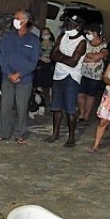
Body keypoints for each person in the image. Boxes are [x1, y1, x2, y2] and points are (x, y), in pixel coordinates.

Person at [0, 10, 40, 144]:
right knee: (5, 107)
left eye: (17, 18)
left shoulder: (33, 40)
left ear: (25, 21)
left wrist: (19, 74)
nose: (14, 20)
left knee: (22, 107)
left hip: (24, 79)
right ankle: (3, 132)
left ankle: (20, 133)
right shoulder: (8, 37)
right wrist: (9, 74)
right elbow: (2, 57)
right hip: (7, 78)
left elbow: (33, 61)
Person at [46, 15, 87, 147]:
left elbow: (73, 62)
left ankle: (71, 137)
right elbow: (52, 55)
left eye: (70, 24)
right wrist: (64, 58)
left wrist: (60, 57)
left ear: (78, 27)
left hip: (72, 77)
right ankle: (55, 133)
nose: (67, 25)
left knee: (70, 109)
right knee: (56, 107)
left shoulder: (82, 42)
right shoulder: (62, 37)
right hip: (58, 75)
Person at [77, 23, 108, 124]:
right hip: (82, 72)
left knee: (91, 95)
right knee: (80, 94)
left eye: (89, 33)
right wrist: (93, 58)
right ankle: (81, 113)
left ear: (95, 33)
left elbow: (99, 57)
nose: (87, 35)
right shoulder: (84, 43)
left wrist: (89, 56)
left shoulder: (104, 44)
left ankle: (86, 115)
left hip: (95, 75)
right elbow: (80, 57)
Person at [34, 27, 55, 106]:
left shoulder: (53, 43)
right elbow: (35, 54)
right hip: (40, 64)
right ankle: (39, 103)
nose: (46, 35)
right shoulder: (38, 44)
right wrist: (41, 58)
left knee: (51, 84)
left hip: (51, 64)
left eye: (47, 33)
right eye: (44, 33)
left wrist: (51, 58)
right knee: (39, 83)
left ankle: (52, 102)